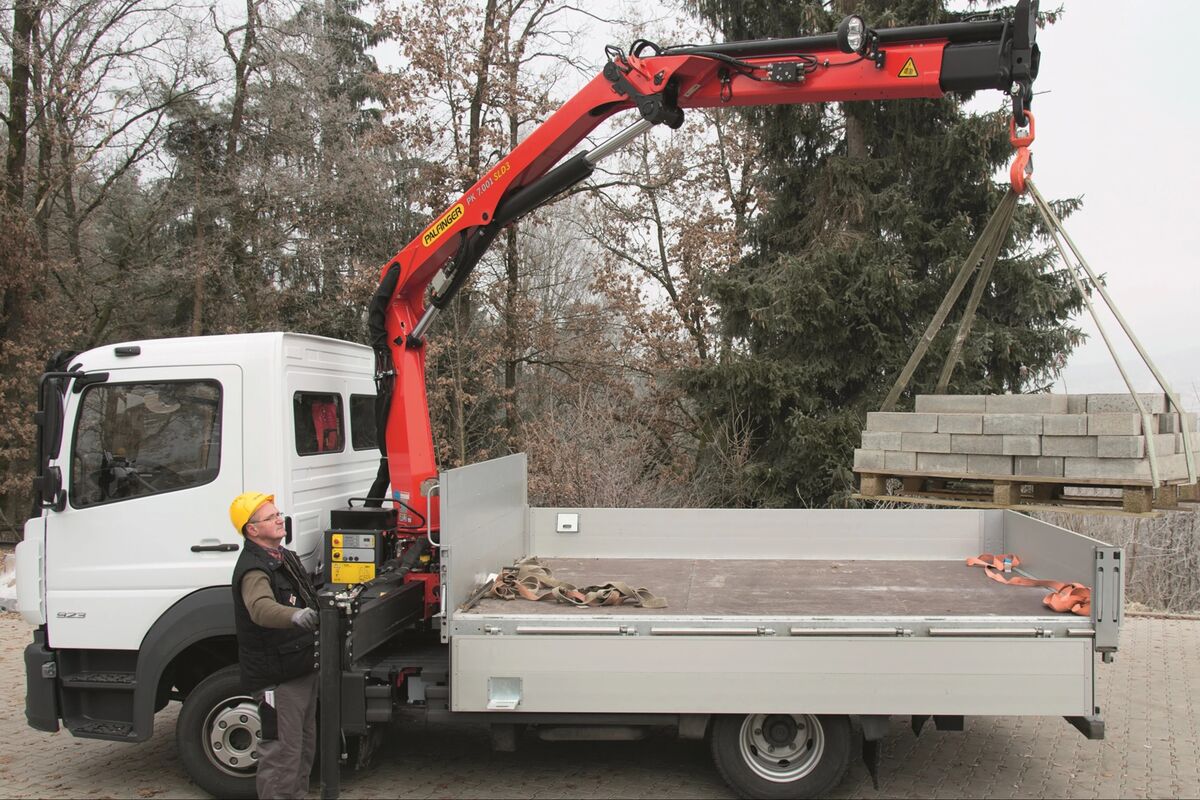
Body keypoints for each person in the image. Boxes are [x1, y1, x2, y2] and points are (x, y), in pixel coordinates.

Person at [229, 492, 320, 799]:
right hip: (278, 677)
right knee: (282, 755)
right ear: (252, 529)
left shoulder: (283, 557)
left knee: (302, 750)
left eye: (278, 514)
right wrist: (296, 616)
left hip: (299, 668)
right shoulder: (254, 569)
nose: (280, 519)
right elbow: (260, 609)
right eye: (271, 517)